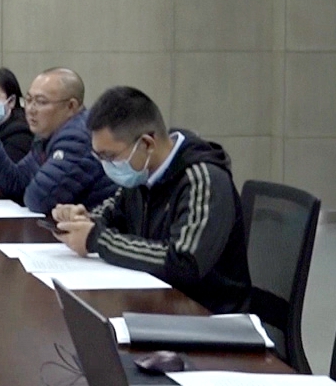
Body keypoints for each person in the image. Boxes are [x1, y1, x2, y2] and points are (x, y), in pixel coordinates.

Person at [52, 86, 251, 314]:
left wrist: (97, 239)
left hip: (206, 314)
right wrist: (79, 219)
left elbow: (183, 263)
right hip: (155, 301)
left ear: (147, 144)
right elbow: (111, 215)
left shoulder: (204, 179)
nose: (106, 165)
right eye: (99, 156)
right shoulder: (142, 174)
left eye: (110, 156)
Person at [0, 68, 113, 214]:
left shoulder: (77, 139)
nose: (31, 109)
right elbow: (15, 182)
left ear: (71, 106)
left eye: (41, 102)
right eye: (28, 100)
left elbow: (39, 200)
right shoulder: (47, 134)